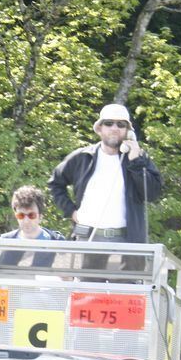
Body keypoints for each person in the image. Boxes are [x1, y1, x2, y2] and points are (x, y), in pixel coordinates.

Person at [48, 103, 162, 270]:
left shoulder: (139, 158)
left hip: (126, 242)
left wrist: (136, 161)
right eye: (109, 123)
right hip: (87, 239)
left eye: (121, 124)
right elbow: (55, 183)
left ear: (128, 131)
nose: (114, 128)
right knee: (86, 293)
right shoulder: (83, 157)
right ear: (99, 128)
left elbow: (152, 193)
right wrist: (71, 211)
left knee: (124, 295)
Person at [0, 185, 65, 268]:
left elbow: (67, 277)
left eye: (31, 215)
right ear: (16, 216)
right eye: (21, 215)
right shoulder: (5, 242)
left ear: (40, 216)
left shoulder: (57, 241)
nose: (26, 221)